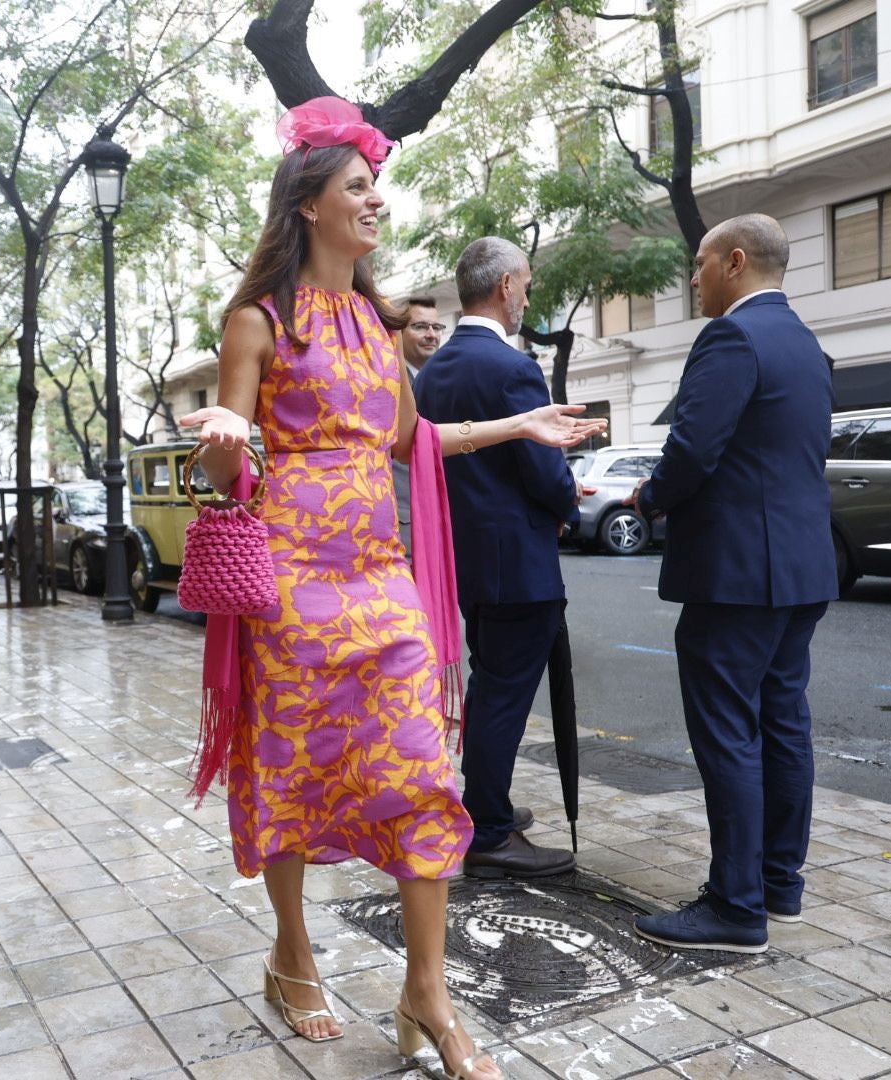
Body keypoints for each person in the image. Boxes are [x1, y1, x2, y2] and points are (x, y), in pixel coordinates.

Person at [176, 97, 604, 1080]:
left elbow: (412, 441)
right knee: (286, 774)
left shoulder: (376, 328)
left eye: (376, 187)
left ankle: (428, 992)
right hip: (289, 597)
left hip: (383, 590)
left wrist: (520, 427)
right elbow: (227, 471)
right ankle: (291, 953)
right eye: (358, 188)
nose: (377, 201)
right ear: (309, 206)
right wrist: (224, 445)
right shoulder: (259, 322)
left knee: (420, 776)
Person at [623, 214, 836, 954]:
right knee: (784, 724)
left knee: (729, 733)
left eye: (700, 263)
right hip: (802, 570)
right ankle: (780, 884)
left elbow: (692, 450)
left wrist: (648, 498)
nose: (693, 277)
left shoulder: (732, 337)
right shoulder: (806, 344)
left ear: (735, 262)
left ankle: (736, 906)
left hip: (737, 574)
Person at [413, 238, 581, 882]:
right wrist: (568, 496)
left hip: (467, 557)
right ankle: (487, 828)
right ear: (506, 286)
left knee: (491, 687)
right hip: (519, 560)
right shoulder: (511, 367)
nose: (529, 298)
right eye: (528, 285)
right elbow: (541, 466)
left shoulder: (433, 372)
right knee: (505, 695)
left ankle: (487, 808)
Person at [394, 296, 446, 554]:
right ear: (399, 333)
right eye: (419, 327)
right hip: (402, 524)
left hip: (438, 522)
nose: (430, 335)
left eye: (436, 328)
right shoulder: (389, 382)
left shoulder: (444, 383)